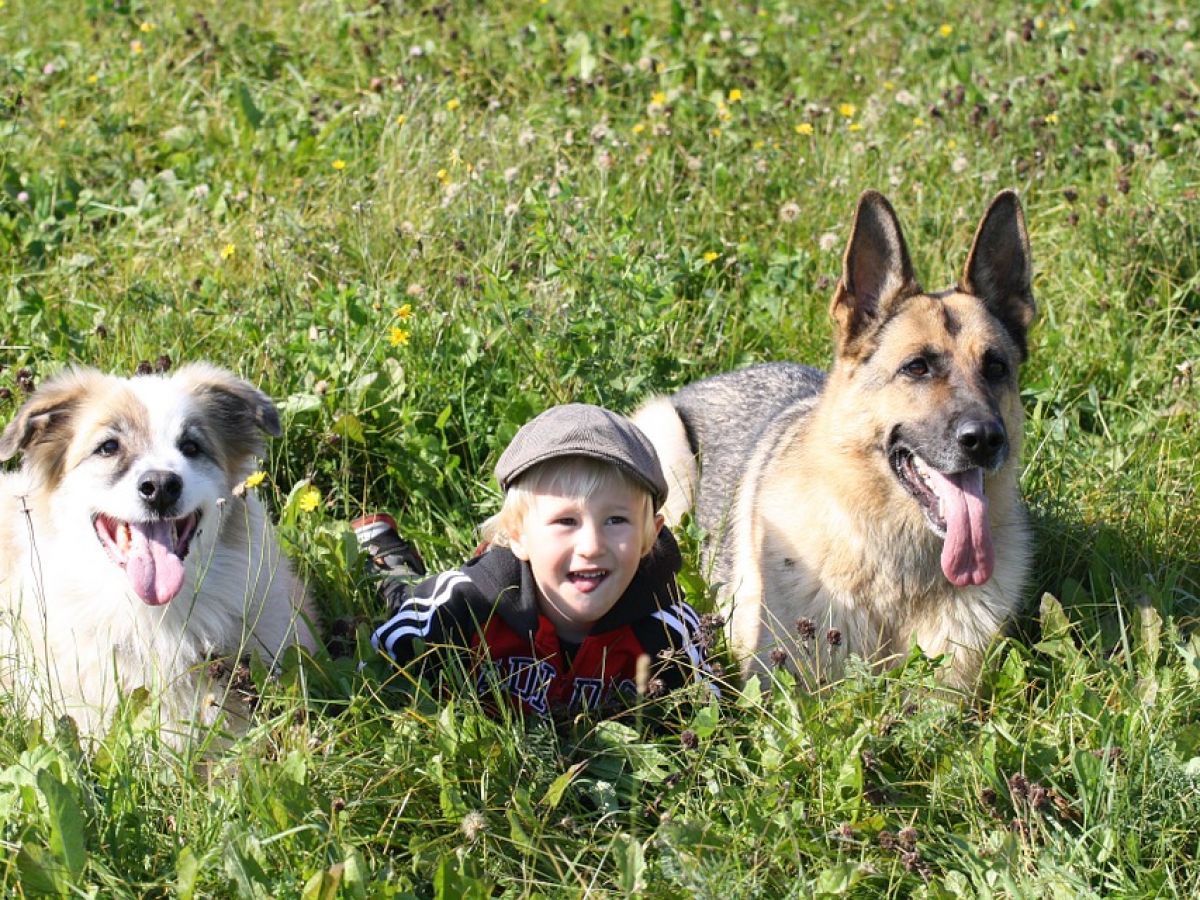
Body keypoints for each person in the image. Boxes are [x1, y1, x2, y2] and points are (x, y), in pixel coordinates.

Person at [355, 403, 710, 717]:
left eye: (616, 520)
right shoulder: (466, 607)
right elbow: (380, 664)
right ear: (516, 534)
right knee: (404, 593)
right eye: (565, 521)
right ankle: (388, 555)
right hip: (473, 595)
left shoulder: (667, 629)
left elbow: (706, 717)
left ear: (650, 535)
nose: (591, 545)